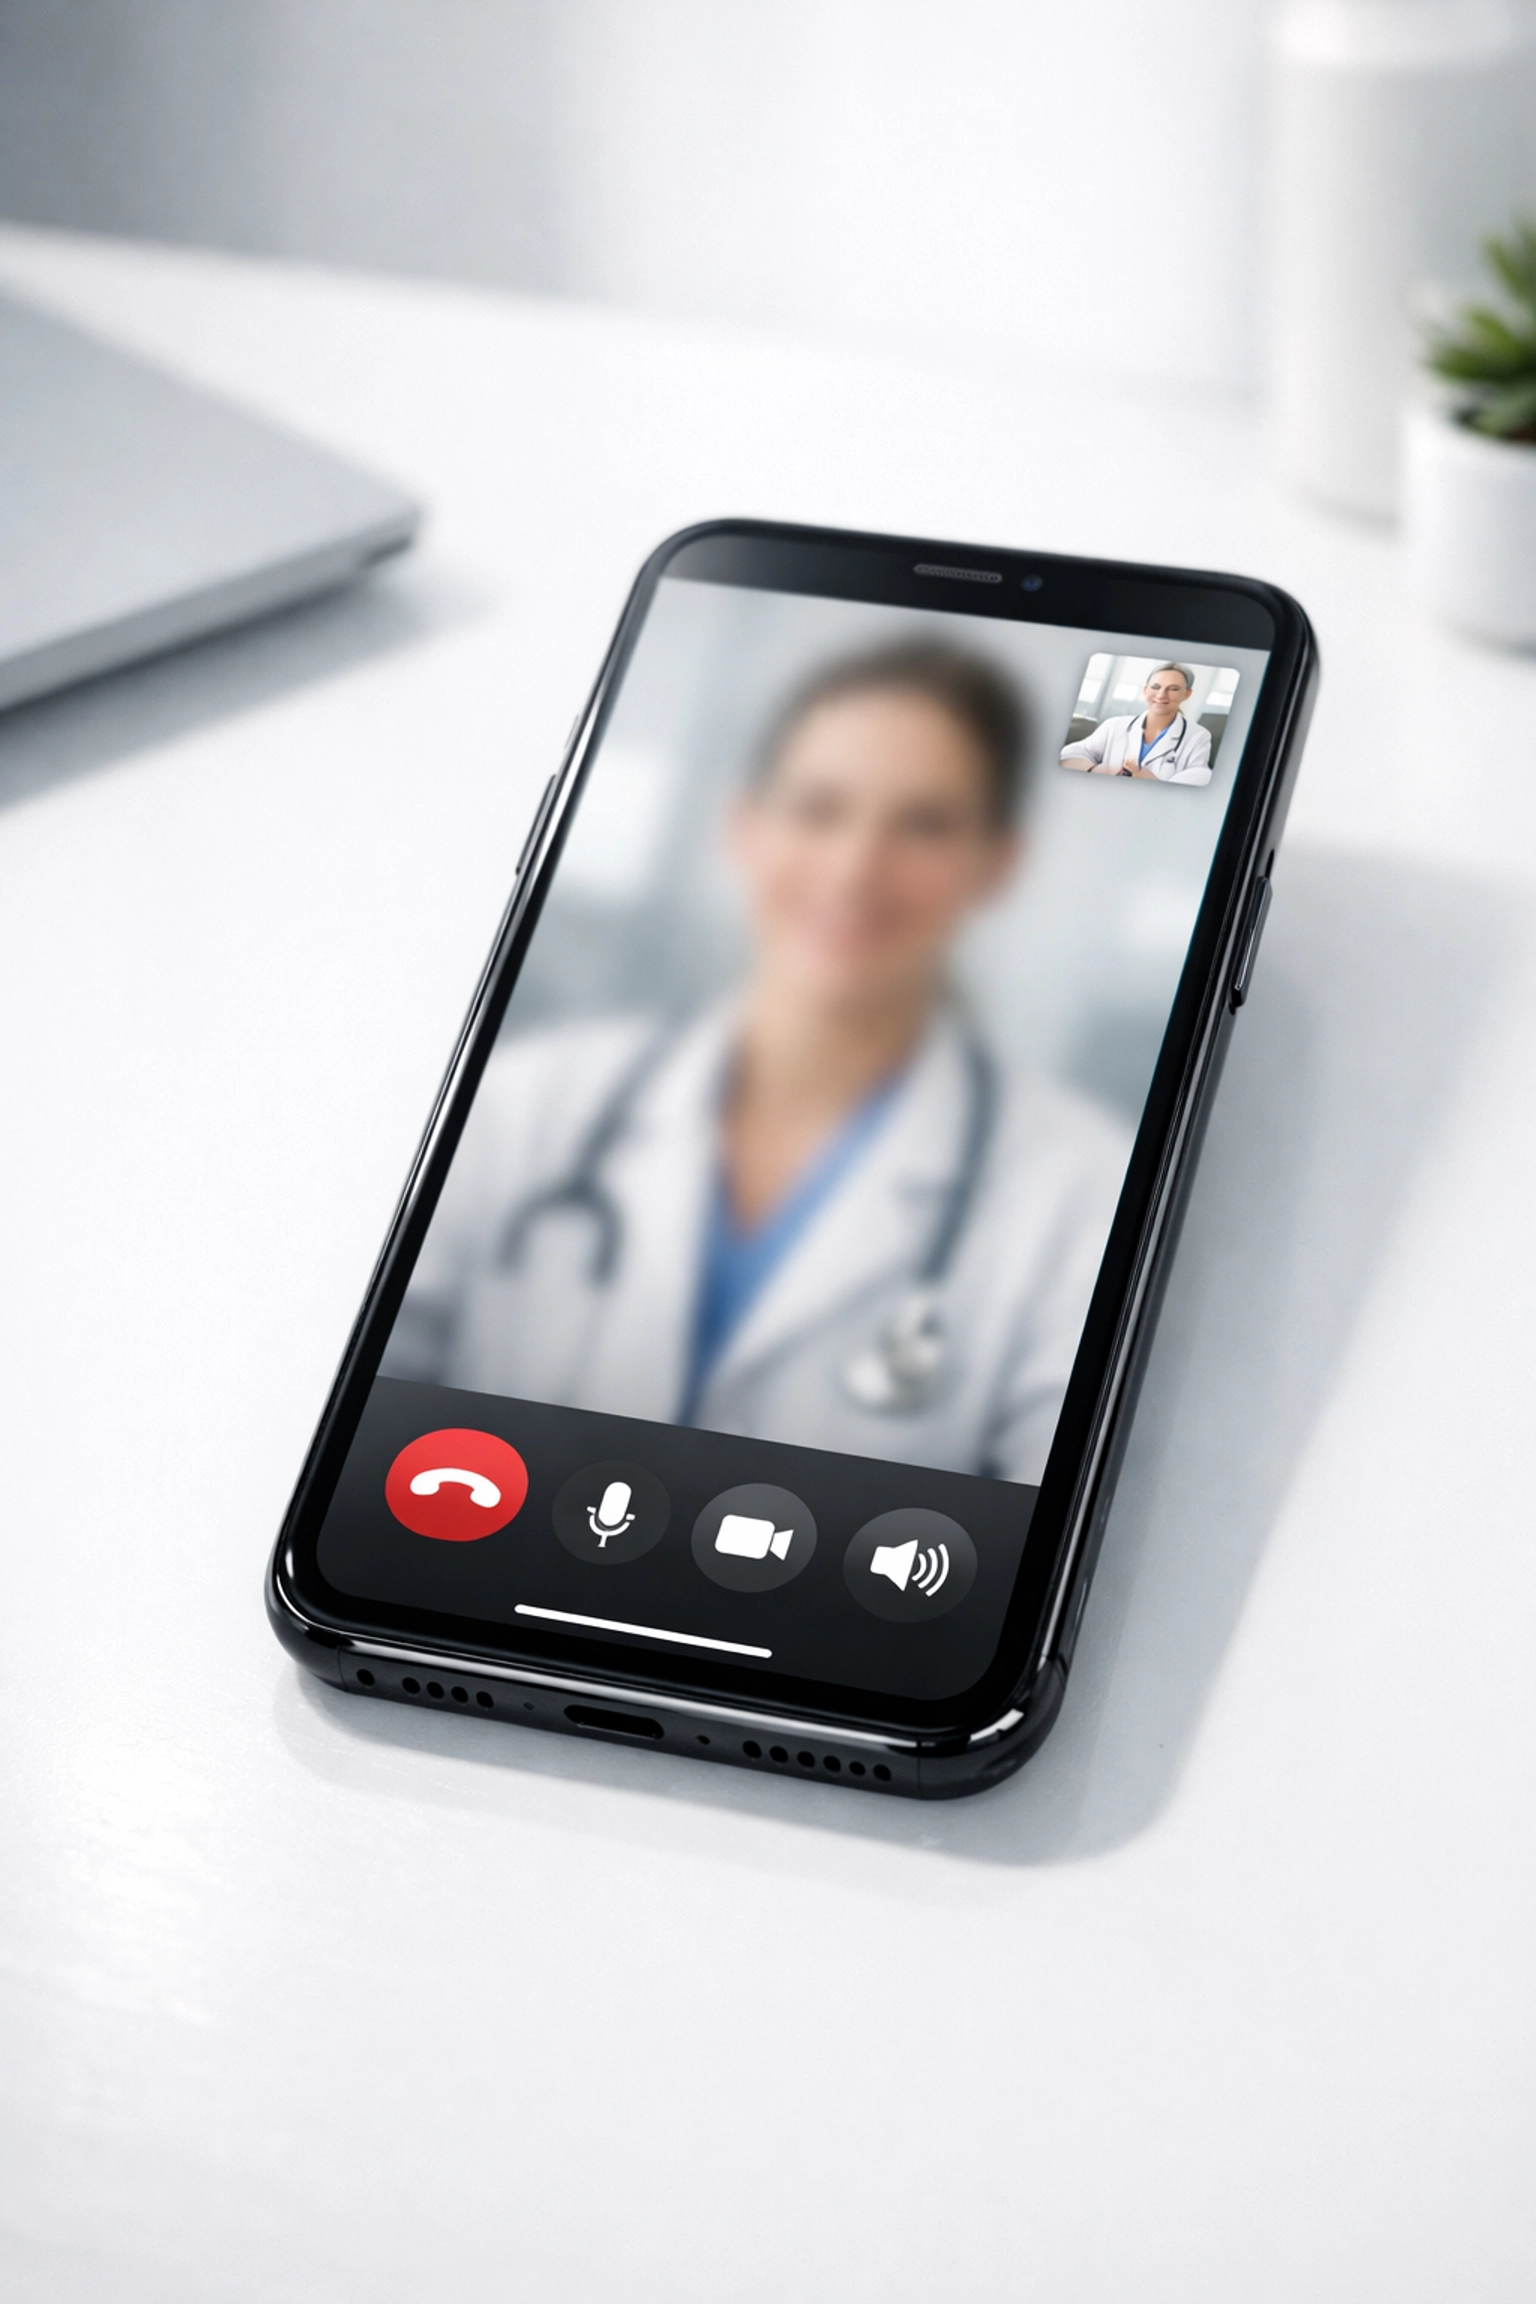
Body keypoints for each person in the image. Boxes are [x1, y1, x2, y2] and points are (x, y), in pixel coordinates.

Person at [384, 640, 1130, 1485]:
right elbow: (383, 1400)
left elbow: (1038, 1511)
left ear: (996, 865)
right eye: (818, 808)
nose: (855, 869)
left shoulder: (1080, 1192)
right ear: (745, 828)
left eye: (924, 825)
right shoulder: (530, 1102)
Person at [1059, 663, 1213, 784]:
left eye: (1173, 689)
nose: (1161, 695)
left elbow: (1201, 776)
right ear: (1145, 690)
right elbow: (1072, 753)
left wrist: (1151, 781)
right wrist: (1099, 770)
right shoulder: (1115, 725)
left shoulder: (1198, 736)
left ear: (1187, 694)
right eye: (1156, 687)